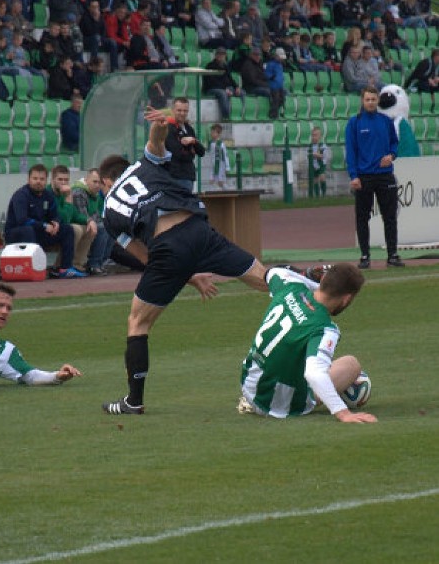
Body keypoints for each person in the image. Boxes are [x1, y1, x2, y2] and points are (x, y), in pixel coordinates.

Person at [99, 107, 269, 415]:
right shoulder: (143, 165)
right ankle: (316, 281)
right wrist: (161, 126)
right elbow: (156, 143)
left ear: (105, 181)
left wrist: (185, 275)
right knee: (261, 276)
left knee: (138, 322)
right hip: (198, 229)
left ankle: (133, 401)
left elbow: (146, 258)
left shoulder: (108, 212)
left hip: (167, 247)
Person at [237, 265, 377, 423]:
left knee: (300, 351)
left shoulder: (290, 287)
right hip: (277, 404)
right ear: (346, 299)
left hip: (249, 383)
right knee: (351, 365)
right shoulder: (324, 328)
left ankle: (250, 400)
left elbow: (274, 272)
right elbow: (314, 373)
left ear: (323, 280)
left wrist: (318, 285)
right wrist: (342, 412)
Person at [345, 87, 403, 270]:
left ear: (378, 101)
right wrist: (354, 176)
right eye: (367, 99)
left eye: (373, 99)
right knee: (362, 218)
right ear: (362, 101)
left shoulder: (386, 121)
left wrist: (391, 155)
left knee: (390, 217)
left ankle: (392, 255)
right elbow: (351, 151)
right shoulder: (355, 123)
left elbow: (395, 142)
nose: (370, 102)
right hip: (364, 177)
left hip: (385, 176)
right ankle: (365, 256)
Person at [4, 164, 87, 279]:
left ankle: (65, 269)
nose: (38, 182)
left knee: (67, 229)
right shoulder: (21, 195)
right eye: (35, 178)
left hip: (38, 232)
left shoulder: (47, 195)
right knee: (29, 230)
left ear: (46, 180)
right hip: (16, 234)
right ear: (28, 179)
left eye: (42, 179)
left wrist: (55, 223)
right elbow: (22, 220)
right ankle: (35, 269)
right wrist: (44, 226)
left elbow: (55, 215)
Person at [48, 165, 95, 274]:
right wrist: (69, 196)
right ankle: (59, 266)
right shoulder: (49, 193)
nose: (63, 183)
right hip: (50, 229)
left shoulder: (64, 192)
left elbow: (75, 215)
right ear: (53, 180)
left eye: (66, 180)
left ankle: (77, 265)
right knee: (75, 229)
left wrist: (89, 220)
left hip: (61, 228)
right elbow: (64, 219)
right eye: (60, 179)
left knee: (89, 229)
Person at [71, 168, 112, 275]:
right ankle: (94, 265)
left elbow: (97, 215)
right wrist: (95, 221)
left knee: (110, 228)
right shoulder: (78, 192)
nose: (97, 185)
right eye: (94, 182)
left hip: (89, 223)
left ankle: (100, 263)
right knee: (102, 228)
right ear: (86, 180)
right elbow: (82, 215)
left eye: (99, 182)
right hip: (78, 223)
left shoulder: (95, 194)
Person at [164, 97, 206, 192]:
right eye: (179, 110)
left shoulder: (189, 128)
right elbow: (177, 152)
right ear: (172, 110)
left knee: (185, 206)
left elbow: (201, 152)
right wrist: (190, 152)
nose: (182, 113)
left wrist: (193, 141)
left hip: (188, 176)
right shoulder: (168, 128)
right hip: (173, 176)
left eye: (185, 111)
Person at [203, 46, 243, 119]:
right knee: (222, 93)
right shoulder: (210, 65)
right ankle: (226, 116)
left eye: (223, 54)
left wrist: (236, 87)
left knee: (242, 92)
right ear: (216, 55)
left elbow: (230, 79)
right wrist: (225, 89)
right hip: (212, 89)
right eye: (219, 54)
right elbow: (212, 82)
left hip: (225, 88)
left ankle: (241, 114)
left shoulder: (225, 66)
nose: (221, 56)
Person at [307, 126, 330, 197]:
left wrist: (315, 155)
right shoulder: (310, 146)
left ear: (320, 136)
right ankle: (317, 195)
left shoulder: (322, 145)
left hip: (321, 164)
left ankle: (324, 194)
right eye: (313, 135)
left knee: (322, 177)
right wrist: (313, 155)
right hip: (313, 165)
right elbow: (308, 155)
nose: (314, 137)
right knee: (315, 180)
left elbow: (323, 156)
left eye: (316, 135)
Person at [208, 123, 230, 190]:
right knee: (212, 181)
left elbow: (225, 156)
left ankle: (228, 193)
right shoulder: (211, 143)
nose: (211, 134)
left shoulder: (221, 144)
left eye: (213, 132)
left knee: (221, 182)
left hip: (220, 166)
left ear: (218, 134)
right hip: (212, 165)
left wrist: (227, 167)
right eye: (211, 132)